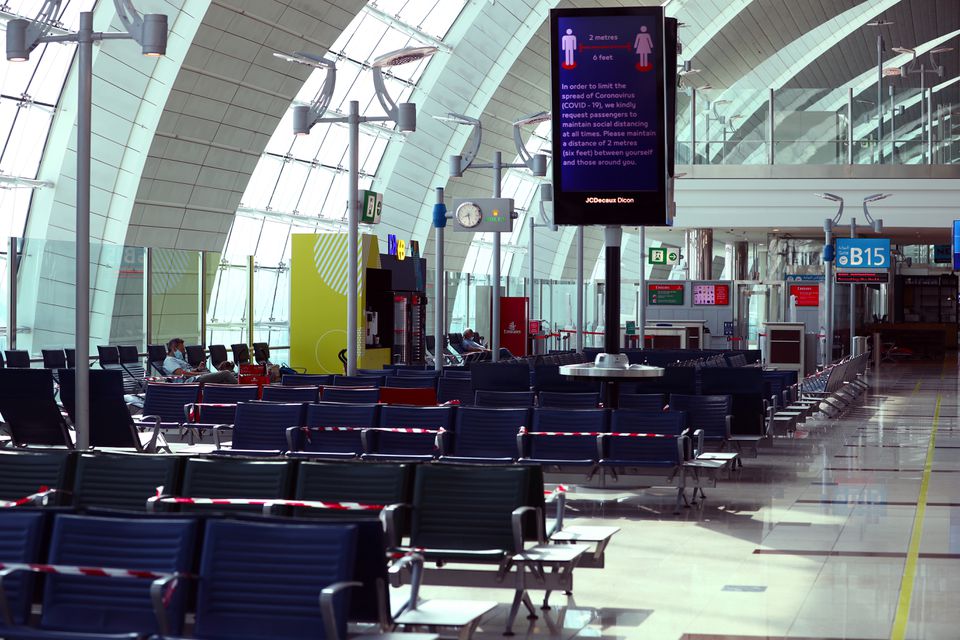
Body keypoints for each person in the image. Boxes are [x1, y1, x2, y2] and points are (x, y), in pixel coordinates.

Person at [163, 338, 238, 384]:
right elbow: (183, 374)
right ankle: (242, 388)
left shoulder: (178, 360)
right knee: (226, 374)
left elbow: (187, 371)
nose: (183, 352)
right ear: (174, 349)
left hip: (195, 378)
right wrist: (201, 373)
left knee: (228, 377)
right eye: (182, 349)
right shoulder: (169, 361)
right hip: (190, 382)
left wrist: (198, 369)